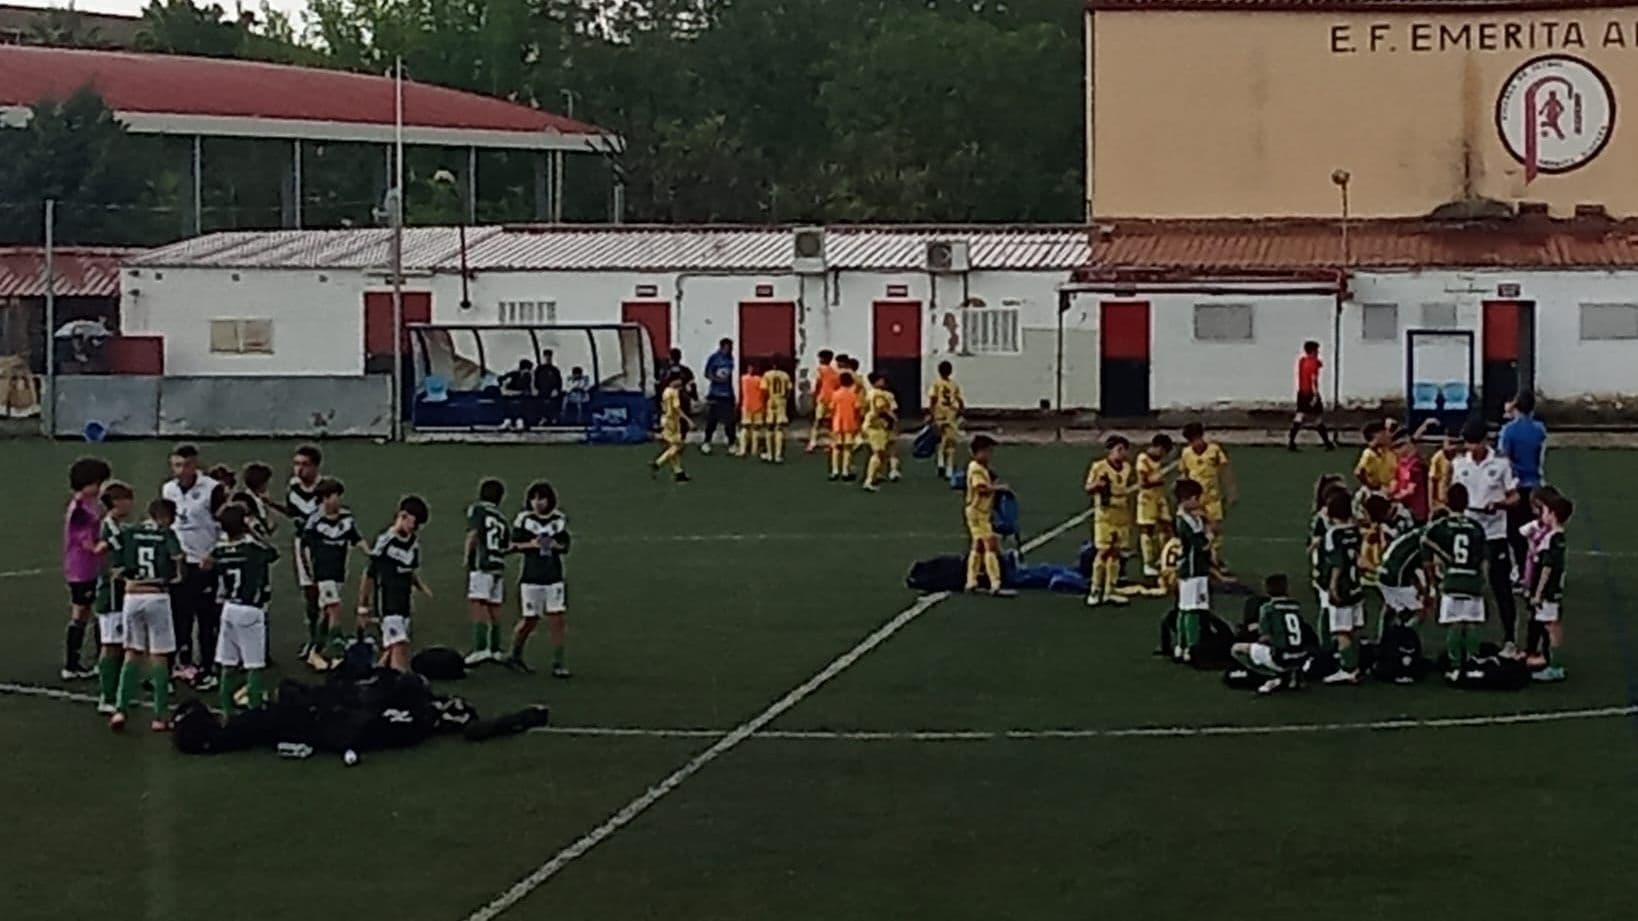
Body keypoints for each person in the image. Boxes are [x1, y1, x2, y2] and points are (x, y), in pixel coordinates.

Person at [109, 498, 185, 732]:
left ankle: (120, 710)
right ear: (166, 517)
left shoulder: (131, 532)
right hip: (157, 596)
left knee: (131, 654)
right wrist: (177, 576)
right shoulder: (166, 533)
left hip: (132, 597)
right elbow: (178, 558)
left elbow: (116, 563)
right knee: (159, 657)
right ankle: (160, 716)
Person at [1452, 420, 1521, 656]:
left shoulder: (1501, 464)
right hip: (1469, 531)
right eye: (1468, 444)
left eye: (1475, 443)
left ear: (1484, 441)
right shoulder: (1459, 464)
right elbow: (1454, 495)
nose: (1471, 448)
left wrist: (1499, 504)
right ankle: (1464, 640)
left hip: (1494, 531)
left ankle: (1510, 638)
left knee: (1500, 585)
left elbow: (1514, 497)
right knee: (1466, 585)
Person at [161, 443, 225, 689]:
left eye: (186, 465)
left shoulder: (212, 489)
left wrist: (214, 554)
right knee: (180, 617)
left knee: (207, 618)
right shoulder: (168, 489)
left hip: (204, 562)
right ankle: (183, 663)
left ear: (195, 464)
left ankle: (209, 667)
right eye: (177, 465)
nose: (181, 470)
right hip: (181, 563)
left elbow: (223, 524)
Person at [210, 503, 278, 714]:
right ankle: (255, 713)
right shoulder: (252, 549)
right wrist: (252, 531)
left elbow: (209, 563)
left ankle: (226, 711)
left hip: (229, 607)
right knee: (254, 665)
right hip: (250, 609)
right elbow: (272, 553)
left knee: (228, 664)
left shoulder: (219, 550)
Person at [1423, 484, 1491, 681]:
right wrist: (1483, 579)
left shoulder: (1440, 526)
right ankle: (1472, 663)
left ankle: (1455, 667)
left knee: (1454, 623)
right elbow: (1485, 558)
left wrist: (1441, 560)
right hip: (1472, 578)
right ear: (1467, 502)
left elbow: (1425, 541)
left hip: (1452, 578)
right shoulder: (1476, 527)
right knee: (1470, 624)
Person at [299, 477, 367, 670]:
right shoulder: (314, 522)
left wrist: (371, 553)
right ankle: (336, 654)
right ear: (324, 499)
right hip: (323, 573)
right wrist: (309, 572)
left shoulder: (346, 518)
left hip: (338, 573)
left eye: (338, 496)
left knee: (327, 614)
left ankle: (315, 651)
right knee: (335, 608)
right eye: (332, 496)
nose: (336, 500)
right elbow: (303, 547)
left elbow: (356, 538)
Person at [358, 495, 431, 673]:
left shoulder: (413, 544)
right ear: (403, 516)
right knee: (400, 651)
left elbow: (410, 570)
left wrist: (421, 586)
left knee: (393, 650)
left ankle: (373, 680)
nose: (415, 528)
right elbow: (369, 574)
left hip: (404, 604)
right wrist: (363, 607)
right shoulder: (386, 542)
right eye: (414, 523)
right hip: (389, 605)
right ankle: (401, 691)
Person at [510, 481, 572, 677]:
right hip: (531, 577)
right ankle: (515, 654)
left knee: (557, 619)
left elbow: (565, 546)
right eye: (534, 498)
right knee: (530, 619)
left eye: (541, 498)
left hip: (553, 577)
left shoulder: (559, 520)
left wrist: (554, 545)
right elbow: (513, 545)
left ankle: (558, 662)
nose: (537, 503)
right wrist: (532, 544)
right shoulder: (524, 520)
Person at [62, 455, 111, 680]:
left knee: (88, 612)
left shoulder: (88, 506)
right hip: (82, 568)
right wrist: (108, 544)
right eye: (98, 483)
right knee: (83, 613)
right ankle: (73, 664)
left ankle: (85, 660)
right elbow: (87, 543)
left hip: (84, 567)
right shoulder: (81, 509)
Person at [92, 481, 134, 714]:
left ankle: (116, 691)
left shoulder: (118, 526)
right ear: (117, 502)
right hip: (112, 593)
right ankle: (107, 696)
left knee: (120, 643)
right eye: (127, 499)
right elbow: (107, 554)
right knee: (110, 644)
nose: (131, 504)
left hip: (119, 592)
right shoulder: (111, 528)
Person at [1231, 574, 1310, 695]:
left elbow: (1265, 637)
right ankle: (1295, 674)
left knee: (1237, 649)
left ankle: (1272, 676)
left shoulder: (1268, 608)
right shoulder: (1295, 606)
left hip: (1280, 658)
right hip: (1301, 657)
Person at [1499, 391, 1548, 585]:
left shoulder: (1508, 430)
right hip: (1535, 484)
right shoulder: (1540, 429)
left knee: (1515, 532)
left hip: (1517, 485)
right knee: (1535, 531)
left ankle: (1520, 571)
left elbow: (1504, 458)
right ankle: (1534, 570)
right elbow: (1542, 457)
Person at [1318, 489, 1365, 684]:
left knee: (1341, 631)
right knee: (1353, 629)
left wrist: (1332, 587)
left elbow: (1337, 563)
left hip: (1344, 586)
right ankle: (1356, 663)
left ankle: (1348, 669)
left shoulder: (1333, 535)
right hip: (1356, 585)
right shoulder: (1355, 531)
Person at [282, 444, 324, 660]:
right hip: (302, 545)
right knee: (309, 592)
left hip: (324, 547)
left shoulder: (326, 489)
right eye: (297, 464)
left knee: (325, 592)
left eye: (305, 465)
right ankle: (313, 637)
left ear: (316, 467)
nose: (299, 469)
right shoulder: (293, 488)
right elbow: (293, 513)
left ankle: (324, 639)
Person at [1085, 434, 1137, 607]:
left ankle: (1110, 589)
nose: (1122, 454)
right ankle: (1095, 589)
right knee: (1103, 551)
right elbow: (1089, 487)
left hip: (1121, 513)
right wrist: (1098, 486)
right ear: (1110, 451)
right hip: (1105, 515)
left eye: (1124, 450)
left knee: (1116, 552)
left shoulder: (1127, 468)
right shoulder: (1099, 467)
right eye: (1118, 450)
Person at [464, 478, 512, 666]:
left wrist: (468, 557)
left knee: (478, 603)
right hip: (498, 564)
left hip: (482, 563)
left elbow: (473, 533)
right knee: (494, 606)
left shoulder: (478, 510)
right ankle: (496, 648)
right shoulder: (501, 518)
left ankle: (480, 648)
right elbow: (505, 545)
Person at [1178, 422, 1235, 577]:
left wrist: (1230, 492)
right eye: (1191, 441)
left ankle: (1215, 561)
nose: (1194, 443)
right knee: (1198, 532)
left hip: (1213, 499)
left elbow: (1225, 471)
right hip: (1195, 501)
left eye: (1196, 439)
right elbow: (1184, 475)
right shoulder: (1186, 453)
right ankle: (1203, 562)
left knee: (1215, 531)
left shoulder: (1214, 450)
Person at [1527, 494, 1572, 682]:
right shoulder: (1557, 537)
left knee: (1551, 627)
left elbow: (1547, 567)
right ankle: (1553, 664)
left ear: (1552, 514)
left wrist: (1538, 593)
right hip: (1553, 589)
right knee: (1551, 626)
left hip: (1548, 592)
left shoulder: (1553, 538)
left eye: (1545, 511)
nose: (1542, 515)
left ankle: (1555, 666)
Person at [962, 435, 1013, 597]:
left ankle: (971, 581)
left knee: (977, 546)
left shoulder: (980, 468)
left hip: (977, 512)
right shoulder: (976, 468)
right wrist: (999, 488)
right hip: (978, 512)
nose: (990, 455)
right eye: (988, 451)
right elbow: (981, 489)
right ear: (978, 452)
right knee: (990, 544)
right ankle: (995, 583)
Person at [1172, 478, 1213, 662]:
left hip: (1191, 569)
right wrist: (1210, 535)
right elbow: (1201, 545)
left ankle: (1181, 646)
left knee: (1185, 608)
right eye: (1197, 498)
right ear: (1188, 499)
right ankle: (1191, 647)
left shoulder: (1188, 518)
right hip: (1193, 570)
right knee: (1192, 609)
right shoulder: (1185, 521)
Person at [1376, 510, 1431, 643]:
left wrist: (1419, 587)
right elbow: (1424, 565)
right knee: (1421, 610)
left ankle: (1382, 639)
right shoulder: (1427, 539)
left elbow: (1409, 566)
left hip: (1382, 572)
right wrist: (1428, 589)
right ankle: (1401, 636)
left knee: (1390, 606)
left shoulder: (1412, 533)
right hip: (1396, 575)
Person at [1135, 434, 1174, 581]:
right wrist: (1156, 480)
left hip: (1159, 497)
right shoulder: (1142, 459)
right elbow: (1142, 483)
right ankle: (1148, 563)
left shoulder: (1157, 460)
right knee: (1147, 529)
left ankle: (1163, 558)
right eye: (1163, 452)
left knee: (1167, 526)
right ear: (1158, 447)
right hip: (1147, 498)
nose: (1164, 456)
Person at [1289, 341, 1335, 450]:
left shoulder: (1302, 361)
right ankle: (1327, 443)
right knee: (1317, 417)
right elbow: (1313, 379)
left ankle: (1291, 442)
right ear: (1314, 351)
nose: (1318, 352)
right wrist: (1315, 395)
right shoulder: (1313, 363)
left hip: (1301, 392)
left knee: (1299, 415)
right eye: (1317, 350)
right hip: (1310, 393)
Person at [927, 360, 965, 478]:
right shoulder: (953, 384)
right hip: (950, 414)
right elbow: (959, 399)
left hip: (939, 413)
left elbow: (933, 398)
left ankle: (940, 461)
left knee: (943, 438)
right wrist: (961, 410)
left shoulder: (936, 384)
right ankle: (948, 467)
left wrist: (931, 412)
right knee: (950, 441)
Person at [862, 372, 900, 491]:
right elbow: (881, 408)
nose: (883, 382)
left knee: (880, 452)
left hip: (870, 424)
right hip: (877, 426)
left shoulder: (869, 393)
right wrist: (893, 418)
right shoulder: (879, 394)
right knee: (878, 453)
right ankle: (869, 480)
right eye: (881, 380)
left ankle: (875, 475)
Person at [652, 373, 690, 482]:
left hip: (665, 418)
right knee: (678, 445)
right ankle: (658, 462)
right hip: (672, 420)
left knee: (672, 446)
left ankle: (678, 472)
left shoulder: (665, 391)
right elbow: (676, 408)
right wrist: (688, 420)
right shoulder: (674, 392)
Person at [701, 338, 737, 453]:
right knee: (712, 419)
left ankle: (731, 443)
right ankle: (706, 442)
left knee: (730, 420)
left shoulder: (730, 359)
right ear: (722, 347)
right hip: (715, 394)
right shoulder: (714, 358)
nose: (730, 350)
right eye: (728, 348)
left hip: (727, 394)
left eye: (731, 348)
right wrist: (716, 379)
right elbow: (707, 373)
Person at [1389, 431, 1430, 523]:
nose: (1396, 451)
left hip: (1416, 511)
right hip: (1403, 508)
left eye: (1399, 447)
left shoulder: (1416, 464)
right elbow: (1395, 482)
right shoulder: (1400, 464)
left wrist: (1394, 497)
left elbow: (1411, 490)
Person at [828, 371, 862, 481]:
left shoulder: (835, 394)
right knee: (848, 448)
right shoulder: (853, 395)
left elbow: (831, 408)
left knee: (836, 447)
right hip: (850, 423)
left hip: (837, 423)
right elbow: (857, 409)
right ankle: (845, 471)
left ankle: (834, 471)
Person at [806, 350, 840, 454]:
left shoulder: (819, 370)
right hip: (832, 399)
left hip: (822, 398)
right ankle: (832, 444)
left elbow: (816, 384)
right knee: (830, 424)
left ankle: (812, 444)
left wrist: (813, 397)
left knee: (817, 422)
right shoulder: (835, 372)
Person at [761, 355, 793, 463]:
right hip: (781, 400)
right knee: (779, 428)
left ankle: (770, 454)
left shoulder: (767, 375)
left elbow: (764, 390)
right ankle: (778, 455)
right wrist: (785, 399)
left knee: (770, 428)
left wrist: (766, 401)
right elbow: (789, 390)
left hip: (771, 400)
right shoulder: (785, 375)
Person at [1353, 420, 1396, 499]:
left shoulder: (1386, 451)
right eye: (1382, 433)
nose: (1385, 435)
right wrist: (1373, 487)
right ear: (1375, 435)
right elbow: (1358, 472)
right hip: (1376, 491)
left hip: (1390, 490)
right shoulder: (1368, 453)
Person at [736, 360, 767, 459]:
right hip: (758, 406)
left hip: (747, 405)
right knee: (755, 429)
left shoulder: (743, 378)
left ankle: (743, 449)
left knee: (745, 427)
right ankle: (754, 449)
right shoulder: (760, 380)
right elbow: (764, 392)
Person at [1428, 432, 1460, 514]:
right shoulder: (1438, 457)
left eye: (1453, 444)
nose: (1451, 447)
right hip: (1441, 501)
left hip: (1457, 502)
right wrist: (1431, 505)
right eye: (1449, 443)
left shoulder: (1461, 458)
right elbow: (1432, 481)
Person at [499, 359, 535, 431]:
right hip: (509, 396)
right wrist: (514, 393)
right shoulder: (512, 375)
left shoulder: (528, 378)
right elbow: (503, 389)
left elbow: (531, 391)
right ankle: (509, 421)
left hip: (519, 399)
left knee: (524, 401)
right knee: (510, 402)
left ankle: (519, 421)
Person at [533, 350, 564, 425]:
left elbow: (559, 382)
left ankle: (553, 418)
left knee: (554, 400)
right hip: (541, 390)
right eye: (546, 357)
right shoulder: (539, 369)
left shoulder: (555, 370)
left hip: (552, 391)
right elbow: (535, 380)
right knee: (540, 401)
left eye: (549, 357)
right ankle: (543, 418)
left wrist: (556, 390)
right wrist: (535, 389)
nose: (548, 359)